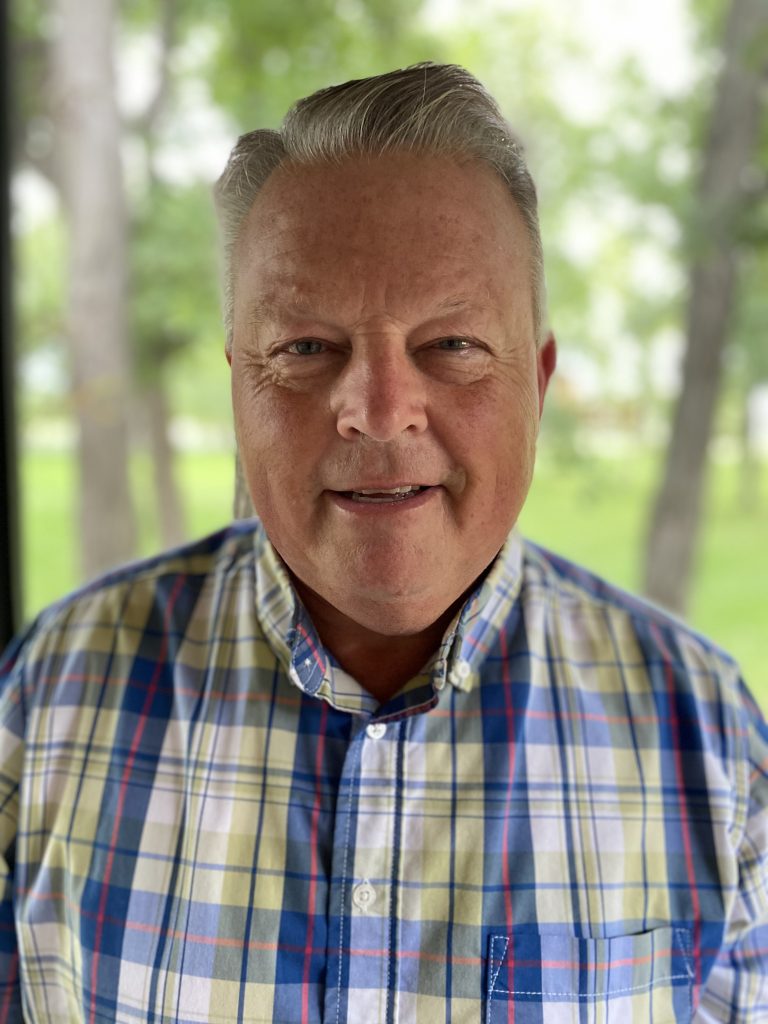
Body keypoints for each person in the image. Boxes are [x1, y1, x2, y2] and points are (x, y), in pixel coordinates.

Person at [0, 63, 765, 1024]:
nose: (378, 411)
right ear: (238, 383)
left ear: (537, 381)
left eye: (451, 346)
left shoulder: (712, 743)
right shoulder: (49, 701)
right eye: (305, 349)